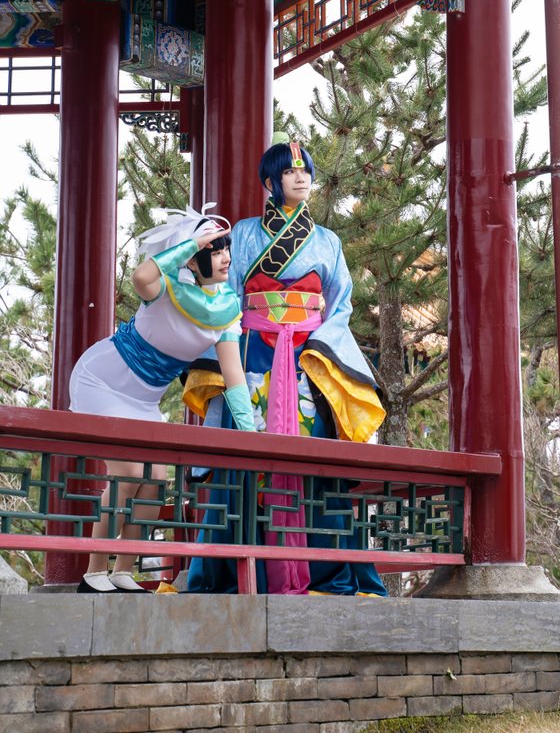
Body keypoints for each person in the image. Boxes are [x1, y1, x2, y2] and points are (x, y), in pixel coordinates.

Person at [183, 133, 388, 596]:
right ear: (270, 182)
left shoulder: (328, 241)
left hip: (306, 357)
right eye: (290, 171)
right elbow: (225, 293)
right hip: (251, 352)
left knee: (314, 456)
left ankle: (323, 569)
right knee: (246, 454)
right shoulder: (244, 233)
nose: (301, 178)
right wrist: (228, 343)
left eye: (305, 171)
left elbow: (340, 303)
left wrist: (323, 348)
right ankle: (238, 570)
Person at [68, 205, 255, 594]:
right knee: (130, 472)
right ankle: (94, 572)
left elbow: (234, 375)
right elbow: (141, 275)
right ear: (193, 257)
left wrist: (251, 433)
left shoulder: (225, 309)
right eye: (215, 250)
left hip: (143, 400)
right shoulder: (165, 288)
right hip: (102, 380)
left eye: (226, 249)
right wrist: (190, 244)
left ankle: (122, 571)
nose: (225, 257)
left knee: (155, 479)